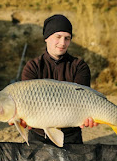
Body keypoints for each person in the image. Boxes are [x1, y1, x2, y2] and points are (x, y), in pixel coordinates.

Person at [10, 14, 98, 144]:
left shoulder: (79, 66)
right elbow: (26, 104)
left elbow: (84, 101)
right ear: (46, 37)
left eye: (67, 38)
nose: (62, 43)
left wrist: (88, 118)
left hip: (71, 135)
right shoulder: (32, 67)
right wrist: (20, 119)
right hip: (39, 135)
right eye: (58, 37)